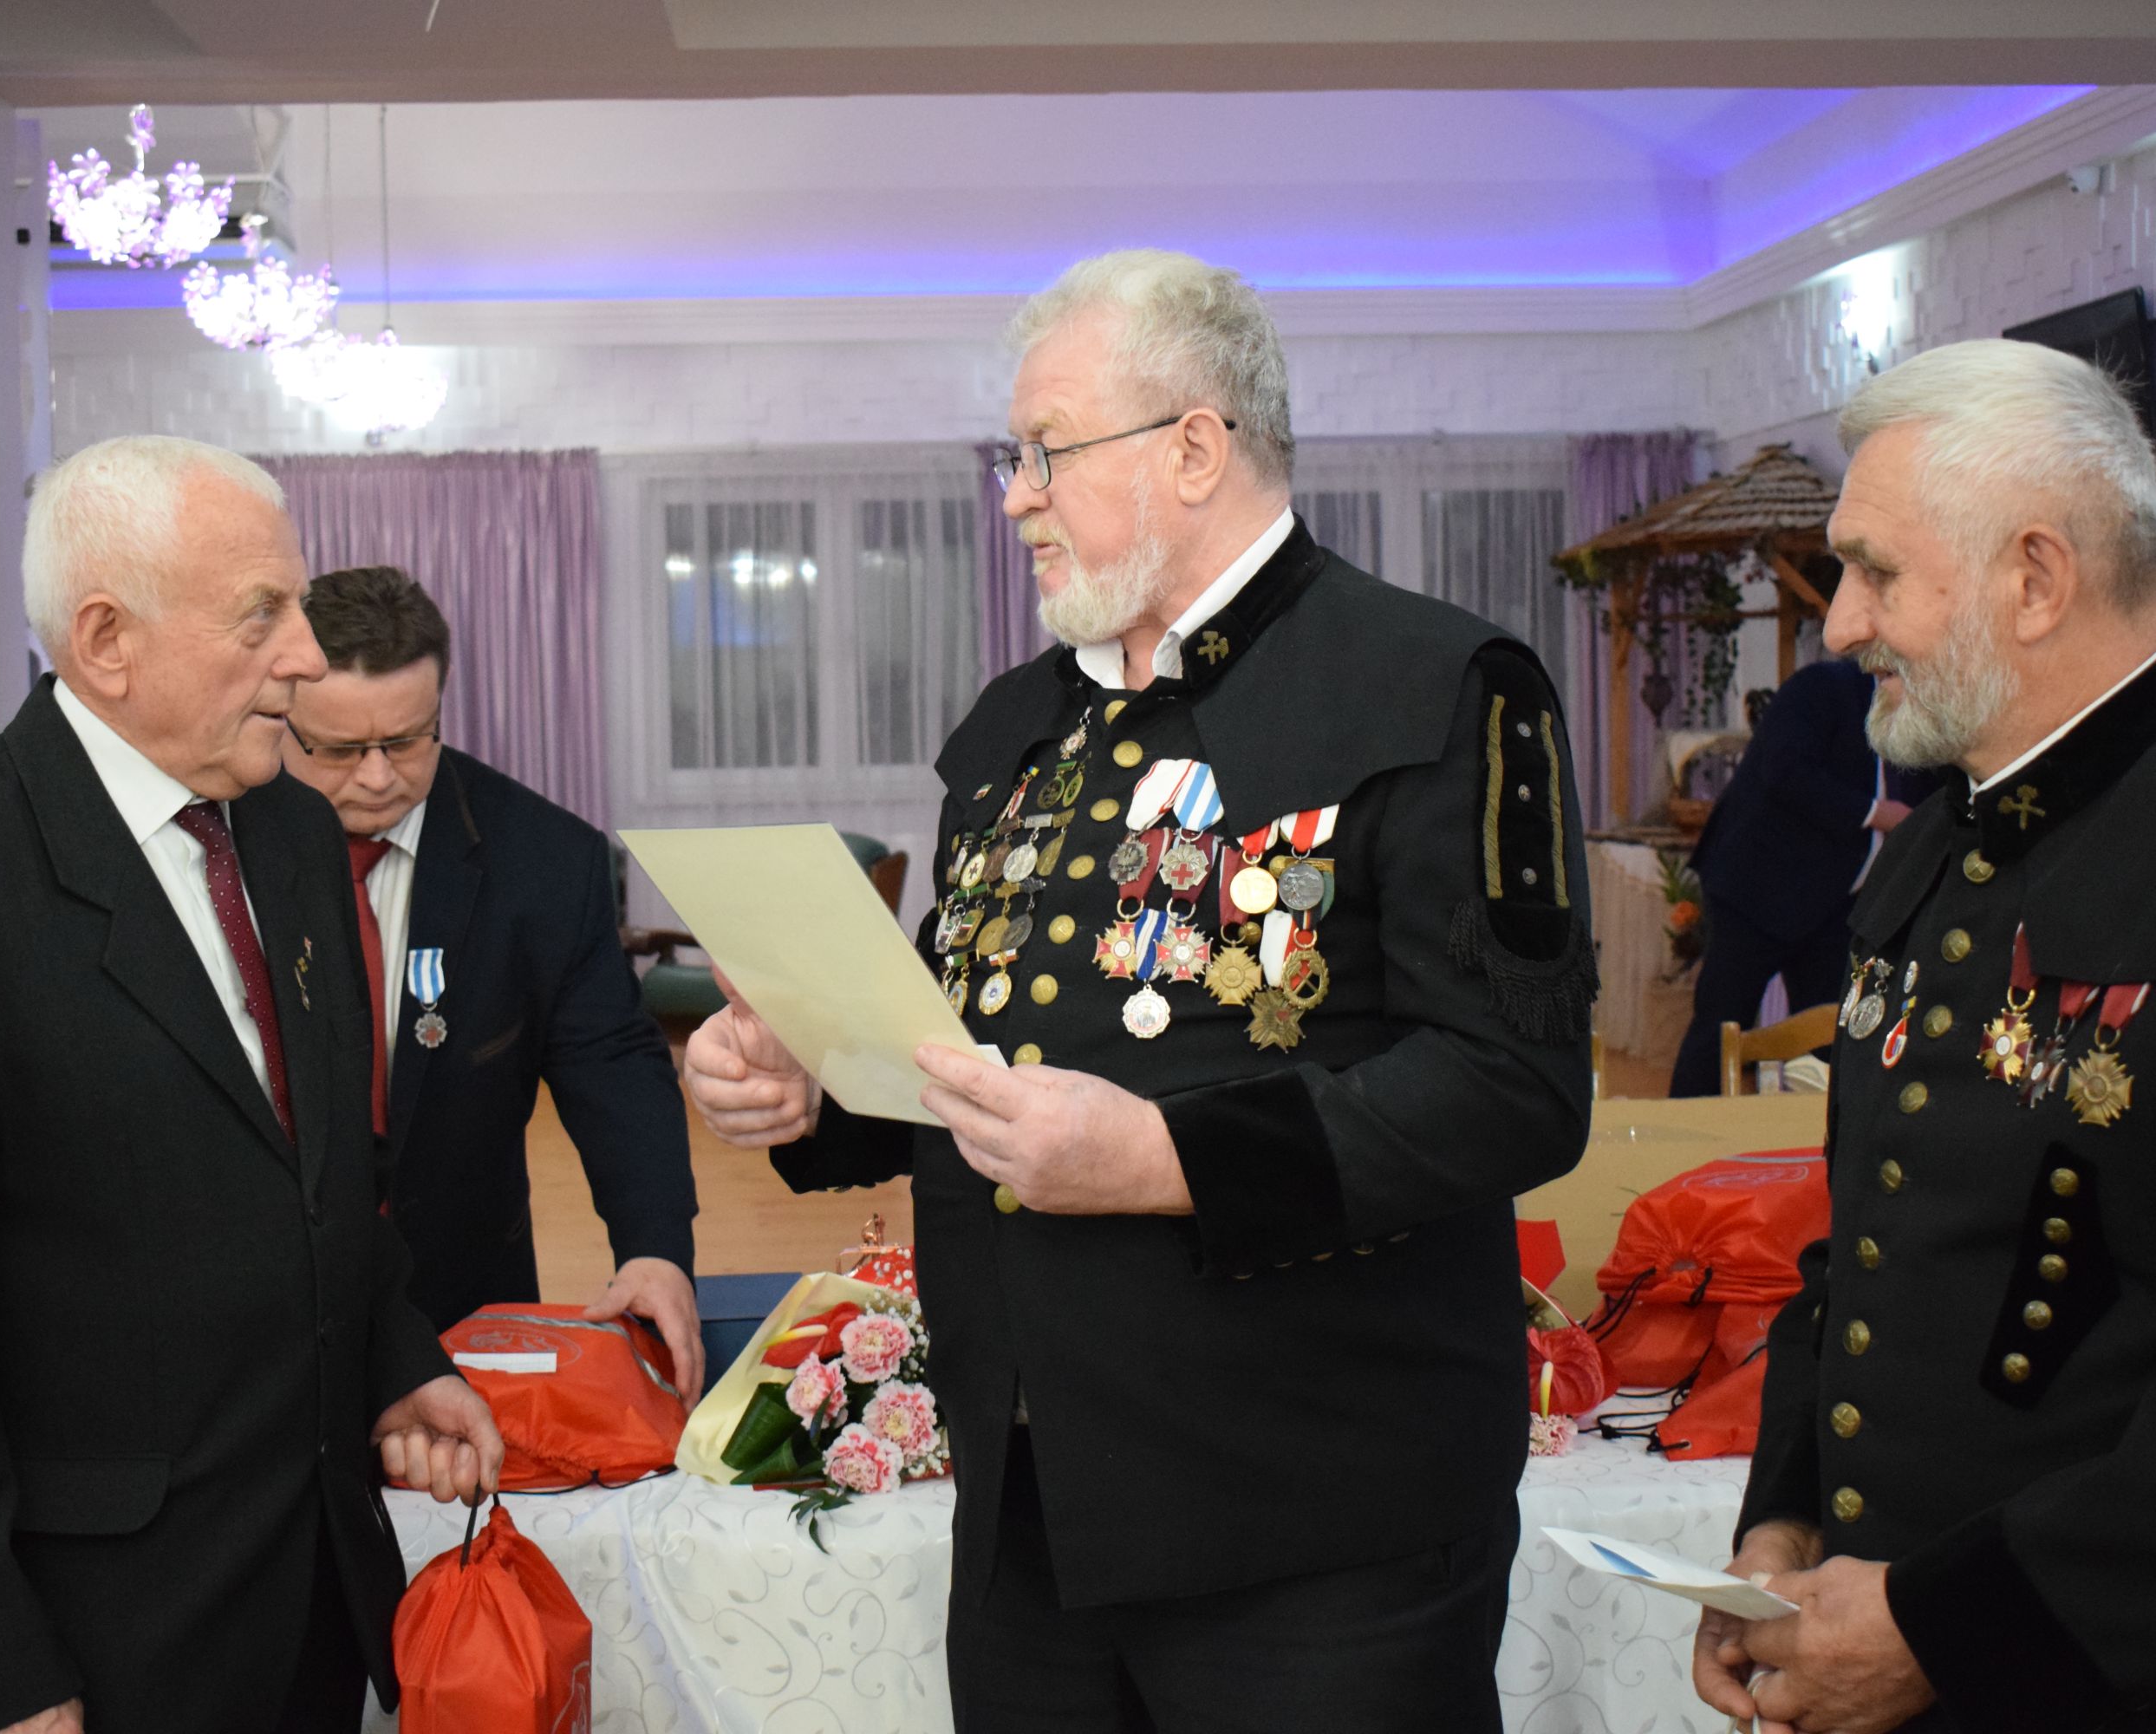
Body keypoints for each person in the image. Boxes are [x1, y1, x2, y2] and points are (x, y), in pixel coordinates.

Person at [683, 250, 1596, 1732]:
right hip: (1035, 1504)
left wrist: (1171, 1159)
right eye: (1012, 458)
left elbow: (1515, 1087)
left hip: (1318, 1520)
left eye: (1046, 452)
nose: (1016, 498)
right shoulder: (1016, 727)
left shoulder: (1435, 684)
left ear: (1193, 450)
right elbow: (977, 1042)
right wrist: (815, 1085)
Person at [0, 437, 503, 1734]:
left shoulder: (288, 826)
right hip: (96, 1639)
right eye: (262, 615)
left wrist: (395, 1357)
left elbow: (321, 1175)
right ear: (107, 641)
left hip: (316, 1596)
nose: (306, 656)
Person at [1690, 340, 2156, 1733]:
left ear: (2035, 579)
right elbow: (1864, 1254)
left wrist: (1945, 1634)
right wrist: (1783, 1526)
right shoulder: (1928, 856)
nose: (1841, 627)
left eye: (1875, 573)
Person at [283, 565, 704, 1397]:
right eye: (340, 750)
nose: (378, 777)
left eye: (407, 741)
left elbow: (613, 1063)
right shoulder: (220, 847)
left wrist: (654, 1248)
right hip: (268, 1317)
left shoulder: (545, 861)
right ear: (280, 717)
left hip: (462, 1302)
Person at [1669, 656, 1936, 1098]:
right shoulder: (1822, 686)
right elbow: (1785, 770)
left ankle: (1818, 1132)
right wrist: (1875, 813)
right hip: (1757, 887)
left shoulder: (1925, 719)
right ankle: (1686, 1128)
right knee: (1721, 1023)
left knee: (1832, 1030)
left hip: (1836, 902)